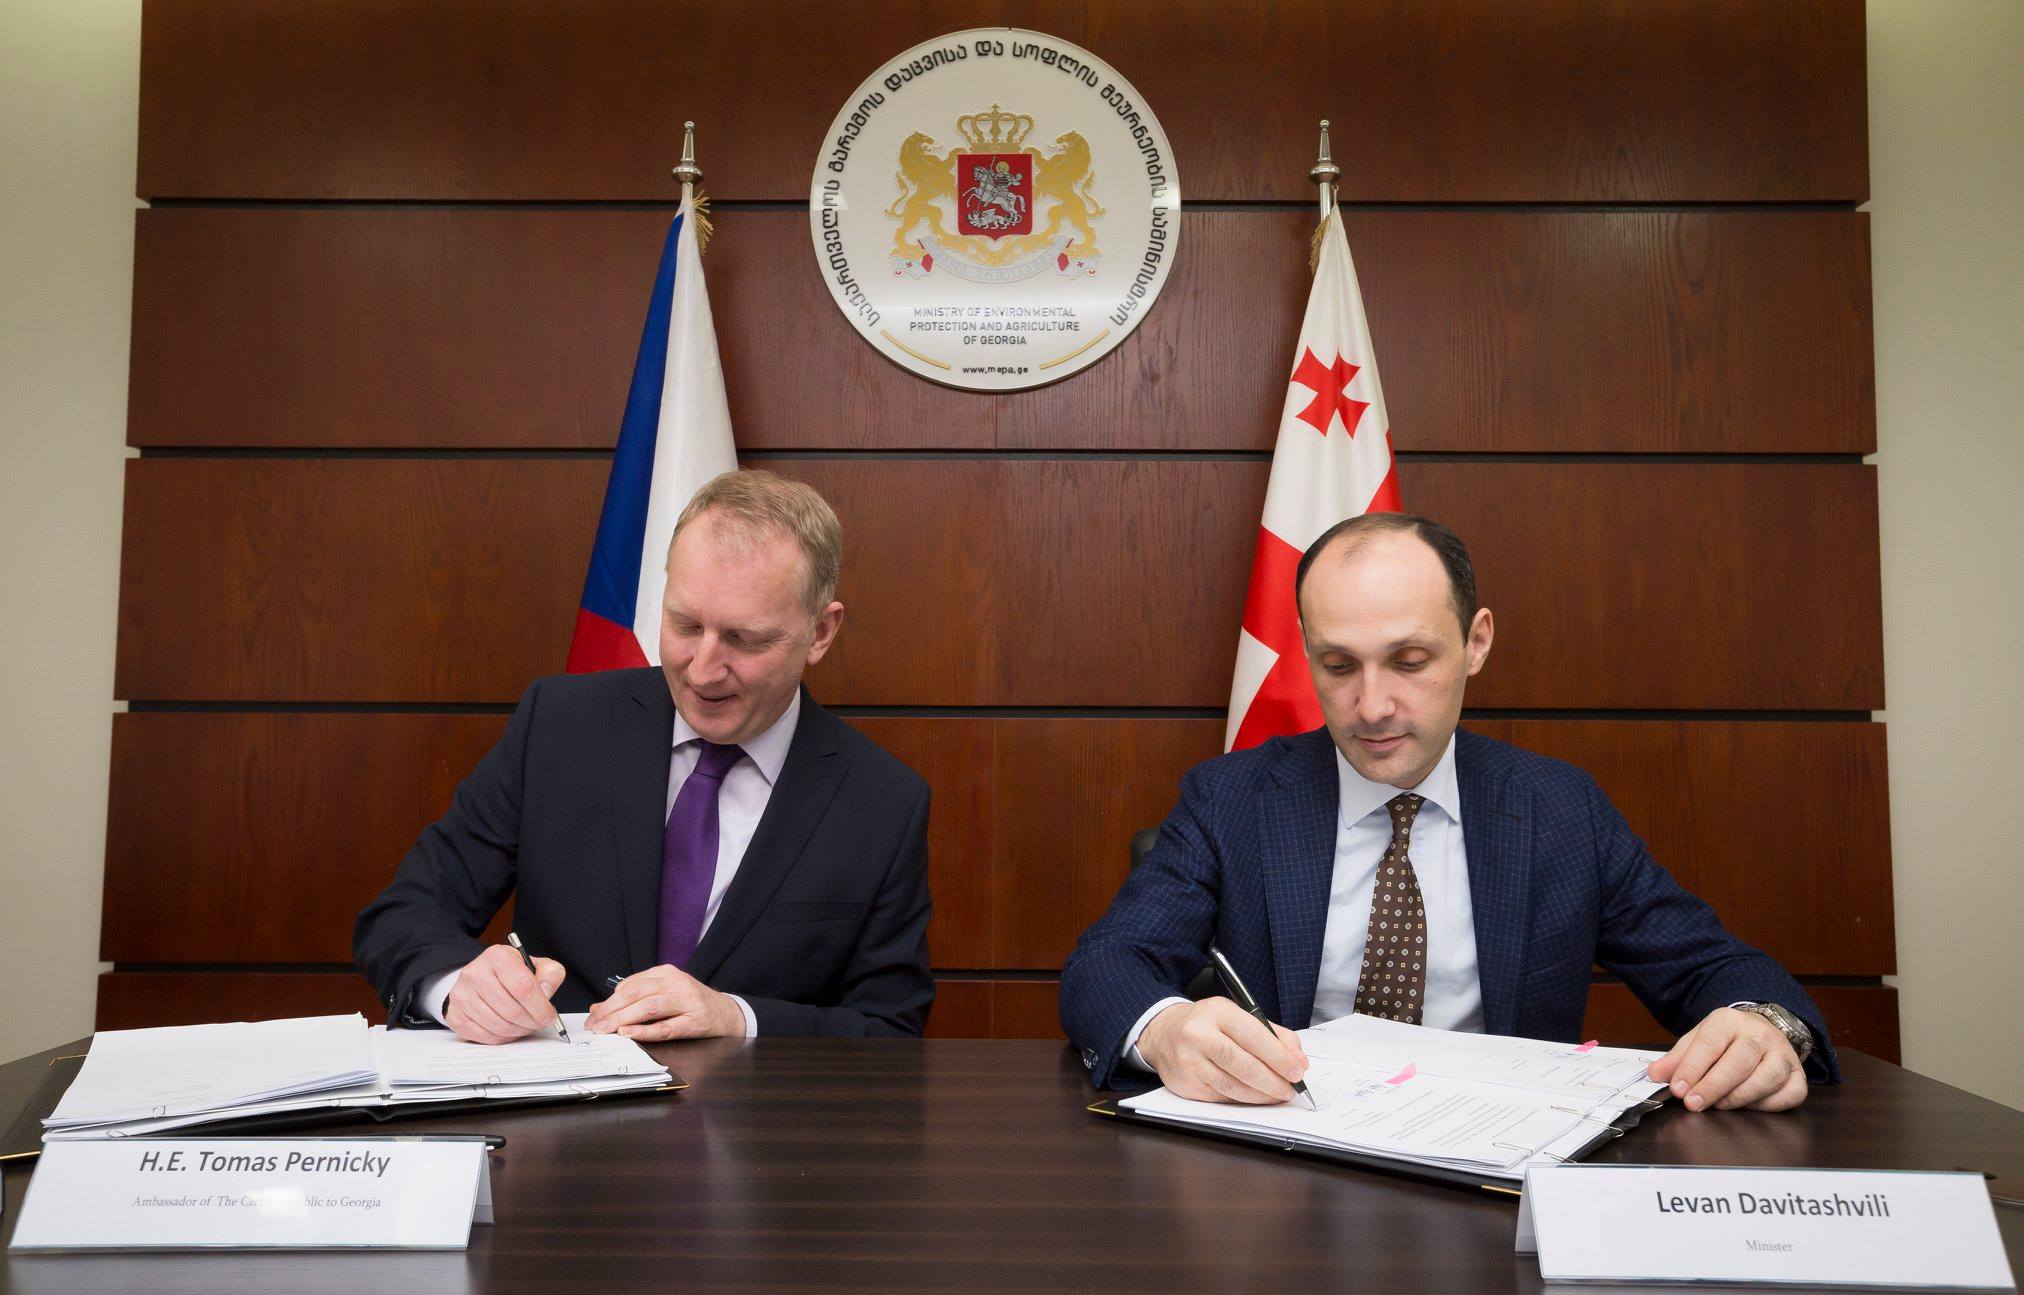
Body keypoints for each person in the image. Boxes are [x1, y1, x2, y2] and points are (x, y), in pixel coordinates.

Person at [1059, 513, 1835, 1112]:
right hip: (1286, 1174)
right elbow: (1106, 964)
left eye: (1409, 660)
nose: (1372, 705)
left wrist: (1765, 1026)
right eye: (1338, 665)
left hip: (1494, 1179)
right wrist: (1166, 1029)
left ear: (1476, 641)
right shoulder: (1231, 799)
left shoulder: (1561, 809)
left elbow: (1717, 967)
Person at [354, 469, 933, 1041]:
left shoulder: (884, 803)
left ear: (821, 633)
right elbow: (405, 914)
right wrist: (459, 986)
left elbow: (890, 1028)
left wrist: (739, 1018)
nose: (702, 670)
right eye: (686, 625)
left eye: (744, 639)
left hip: (748, 1104)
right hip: (563, 1097)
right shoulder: (558, 726)